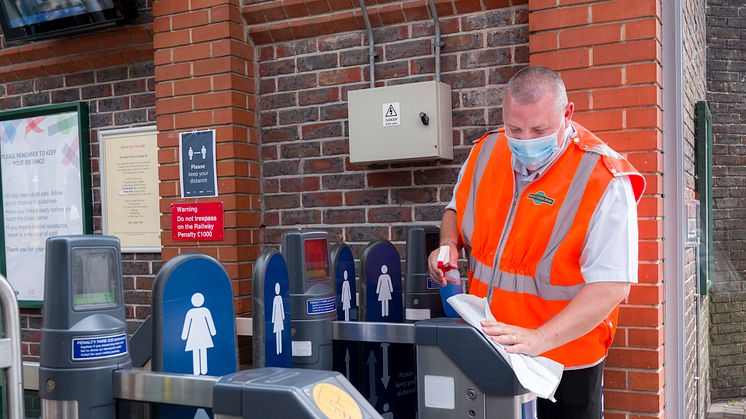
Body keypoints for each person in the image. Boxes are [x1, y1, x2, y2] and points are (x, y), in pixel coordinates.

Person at [427, 66, 645, 419]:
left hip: (563, 366)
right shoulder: (486, 150)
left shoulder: (604, 177)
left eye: (540, 130)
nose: (525, 140)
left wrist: (539, 339)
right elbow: (455, 209)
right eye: (515, 128)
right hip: (491, 351)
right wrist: (449, 245)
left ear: (567, 114)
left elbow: (612, 285)